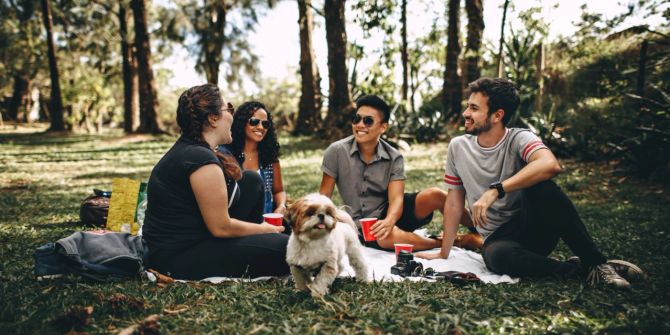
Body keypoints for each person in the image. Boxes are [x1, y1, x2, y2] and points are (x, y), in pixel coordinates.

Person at [417, 77, 644, 289]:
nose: (466, 113)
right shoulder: (458, 147)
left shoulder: (519, 138)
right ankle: (580, 270)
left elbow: (549, 164)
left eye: (474, 108)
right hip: (499, 240)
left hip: (533, 227)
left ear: (497, 115)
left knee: (542, 185)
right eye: (468, 106)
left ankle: (596, 263)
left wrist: (496, 190)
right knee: (496, 257)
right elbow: (455, 204)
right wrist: (443, 252)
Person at [142, 84, 289, 280]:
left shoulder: (195, 149)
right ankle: (264, 240)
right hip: (180, 256)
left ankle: (260, 240)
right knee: (291, 250)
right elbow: (221, 227)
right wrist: (265, 229)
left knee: (251, 180)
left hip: (199, 236)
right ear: (213, 118)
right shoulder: (199, 159)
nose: (232, 115)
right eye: (228, 108)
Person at [319, 94, 482, 251]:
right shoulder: (336, 151)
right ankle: (452, 242)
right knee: (385, 237)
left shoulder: (394, 157)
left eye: (368, 121)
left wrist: (389, 221)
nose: (360, 125)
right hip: (363, 226)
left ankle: (480, 230)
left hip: (392, 211)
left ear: (383, 127)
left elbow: (396, 199)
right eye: (356, 119)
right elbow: (324, 197)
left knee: (436, 195)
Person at [223, 101, 287, 215]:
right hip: (237, 220)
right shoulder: (226, 155)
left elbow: (279, 191)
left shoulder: (269, 156)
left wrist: (281, 206)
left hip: (266, 219)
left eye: (265, 124)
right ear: (242, 123)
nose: (261, 127)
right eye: (254, 122)